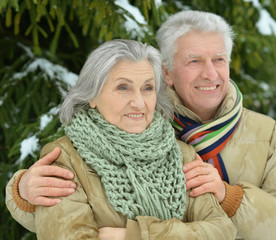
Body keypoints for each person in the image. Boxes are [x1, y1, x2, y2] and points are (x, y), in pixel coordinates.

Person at [6, 10, 276, 240]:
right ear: (167, 74)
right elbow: (60, 216)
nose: (211, 74)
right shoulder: (143, 125)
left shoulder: (265, 136)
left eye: (219, 59)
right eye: (194, 60)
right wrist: (21, 191)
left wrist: (230, 198)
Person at [5, 39, 236, 240]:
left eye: (147, 88)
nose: (138, 102)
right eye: (123, 87)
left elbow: (221, 231)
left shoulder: (182, 154)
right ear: (92, 96)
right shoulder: (64, 160)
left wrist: (137, 235)